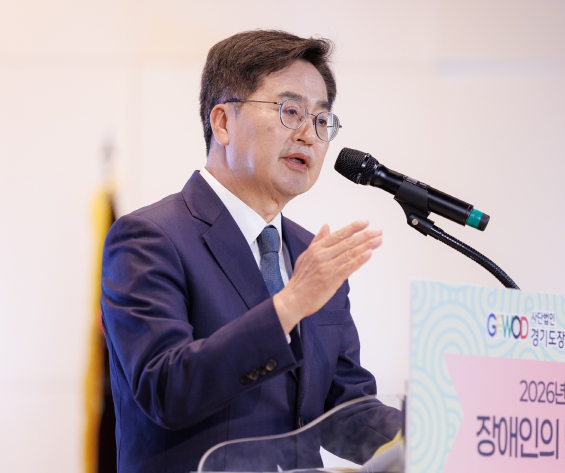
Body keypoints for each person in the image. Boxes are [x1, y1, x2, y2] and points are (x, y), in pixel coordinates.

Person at [101, 30, 401, 473]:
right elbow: (166, 389)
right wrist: (289, 304)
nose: (309, 135)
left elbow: (345, 409)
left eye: (322, 119)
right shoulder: (149, 238)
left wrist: (435, 434)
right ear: (223, 123)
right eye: (290, 111)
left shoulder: (310, 254)